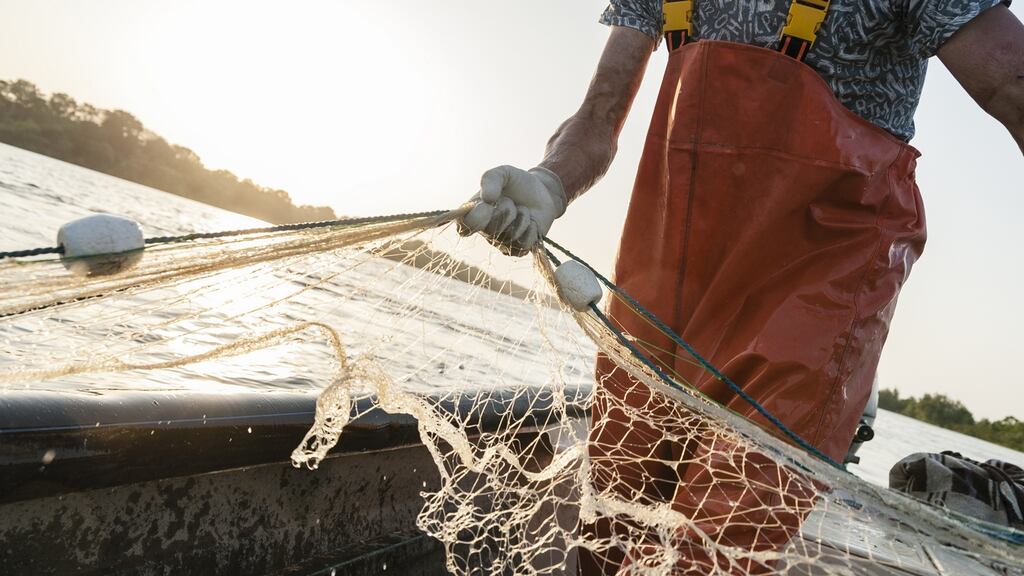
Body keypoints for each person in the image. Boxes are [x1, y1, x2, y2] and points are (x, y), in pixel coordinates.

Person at [458, 0, 1024, 573]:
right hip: (663, 283)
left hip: (815, 300)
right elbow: (601, 111)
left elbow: (1013, 85)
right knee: (610, 526)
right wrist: (551, 181)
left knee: (713, 551)